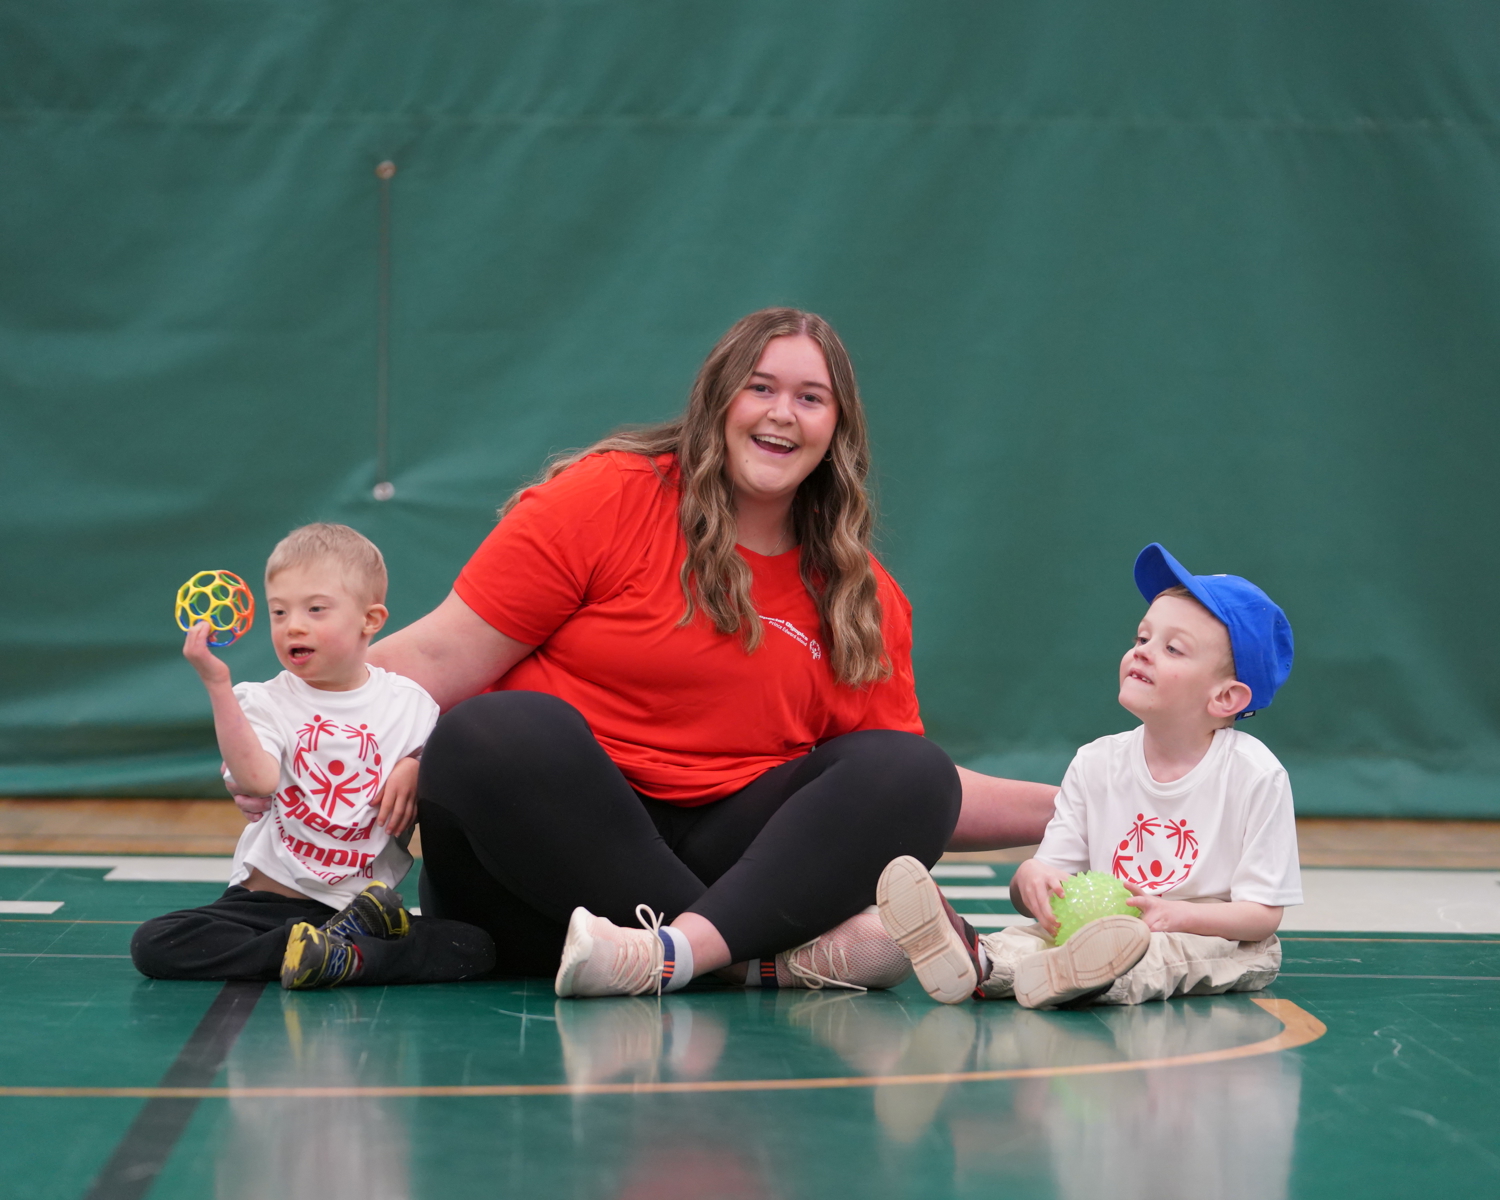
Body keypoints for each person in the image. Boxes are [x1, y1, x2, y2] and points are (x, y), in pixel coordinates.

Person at [366, 308, 1054, 998]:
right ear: (718, 400)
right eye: (760, 388)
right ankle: (747, 963)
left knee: (915, 773)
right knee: (490, 733)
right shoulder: (607, 496)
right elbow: (436, 655)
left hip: (723, 870)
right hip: (539, 888)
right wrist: (278, 726)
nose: (783, 413)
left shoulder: (861, 596)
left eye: (810, 398)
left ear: (837, 430)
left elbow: (888, 800)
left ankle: (674, 953)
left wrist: (1086, 802)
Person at [878, 542, 1300, 1008]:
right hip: (1099, 926)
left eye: (1172, 648)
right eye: (1142, 639)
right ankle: (979, 961)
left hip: (1219, 934)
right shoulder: (1096, 762)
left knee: (1163, 952)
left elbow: (1262, 916)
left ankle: (1087, 975)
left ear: (1225, 698)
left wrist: (1172, 914)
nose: (1142, 653)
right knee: (1030, 935)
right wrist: (1030, 878)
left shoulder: (1256, 775)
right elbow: (1051, 872)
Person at [131, 524, 495, 989]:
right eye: (279, 612)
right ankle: (335, 954)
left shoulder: (411, 705)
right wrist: (217, 685)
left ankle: (339, 952)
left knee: (474, 946)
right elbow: (259, 779)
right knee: (156, 942)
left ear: (371, 619)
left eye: (315, 609)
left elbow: (454, 770)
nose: (293, 625)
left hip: (362, 910)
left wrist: (417, 766)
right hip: (263, 905)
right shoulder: (262, 702)